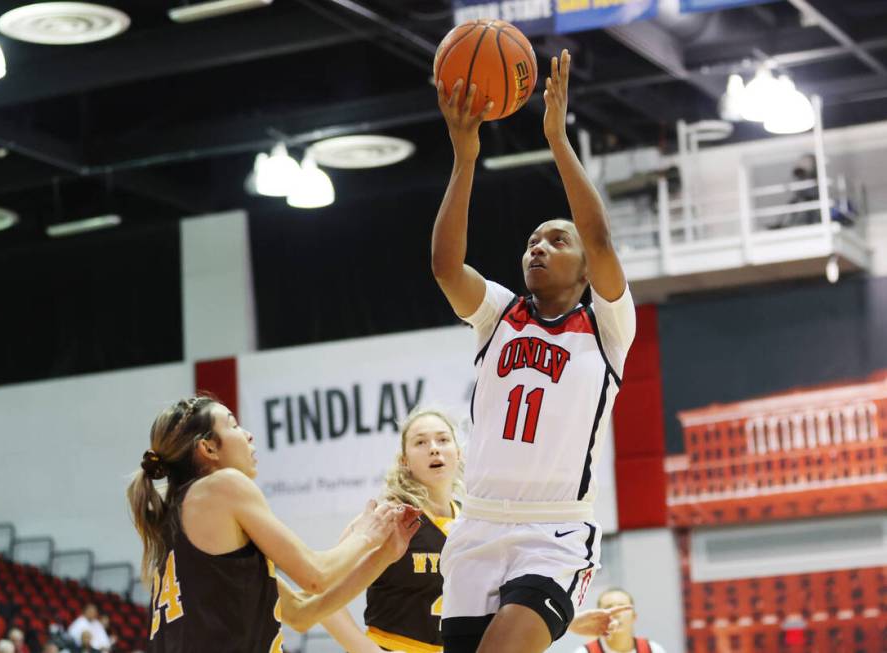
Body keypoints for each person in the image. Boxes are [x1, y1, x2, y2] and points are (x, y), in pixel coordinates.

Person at [430, 50, 635, 653]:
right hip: (478, 523)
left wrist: (557, 138)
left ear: (583, 264)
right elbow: (445, 266)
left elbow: (597, 235)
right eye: (531, 242)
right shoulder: (498, 314)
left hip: (556, 529)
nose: (538, 249)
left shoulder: (606, 326)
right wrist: (465, 158)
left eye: (556, 240)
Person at [125, 395, 422, 653]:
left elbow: (302, 614)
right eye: (233, 425)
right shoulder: (222, 486)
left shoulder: (180, 513)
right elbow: (316, 574)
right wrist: (366, 536)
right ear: (208, 449)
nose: (248, 434)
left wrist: (384, 556)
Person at [321, 409, 463, 652]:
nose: (434, 448)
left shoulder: (472, 521)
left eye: (442, 439)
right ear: (404, 461)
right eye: (420, 442)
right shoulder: (388, 517)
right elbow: (321, 593)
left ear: (458, 454)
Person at [572, 588, 666, 653]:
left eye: (622, 607)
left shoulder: (653, 649)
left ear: (634, 616)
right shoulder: (584, 652)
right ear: (598, 617)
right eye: (608, 608)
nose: (616, 613)